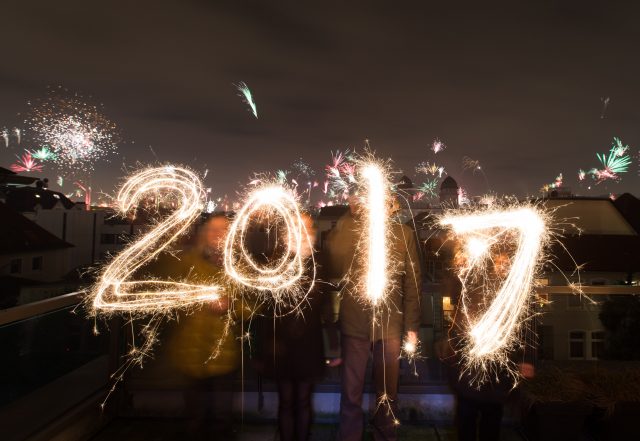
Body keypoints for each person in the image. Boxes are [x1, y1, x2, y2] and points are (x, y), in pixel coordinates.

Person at [326, 195, 422, 441]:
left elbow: (412, 284)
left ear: (390, 204)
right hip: (355, 325)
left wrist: (411, 325)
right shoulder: (352, 231)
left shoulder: (404, 234)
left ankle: (386, 436)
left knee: (388, 394)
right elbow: (334, 258)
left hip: (389, 327)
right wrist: (350, 215)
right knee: (351, 393)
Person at [435, 244, 535, 441]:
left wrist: (527, 359)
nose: (503, 266)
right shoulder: (474, 284)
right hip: (468, 364)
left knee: (492, 417)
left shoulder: (517, 291)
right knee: (467, 415)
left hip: (497, 369)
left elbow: (528, 327)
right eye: (499, 262)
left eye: (507, 262)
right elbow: (453, 304)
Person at [255, 213, 337, 441]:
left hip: (309, 342)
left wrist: (334, 346)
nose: (302, 231)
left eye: (306, 227)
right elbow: (267, 308)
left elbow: (327, 305)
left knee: (303, 399)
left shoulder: (319, 260)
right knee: (286, 400)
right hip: (281, 343)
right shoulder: (276, 260)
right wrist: (264, 347)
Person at [163, 214, 240, 440]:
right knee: (194, 417)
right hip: (192, 353)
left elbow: (252, 306)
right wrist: (197, 300)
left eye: (223, 231)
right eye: (213, 230)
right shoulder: (188, 263)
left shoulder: (238, 267)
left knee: (222, 418)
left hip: (223, 354)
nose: (217, 235)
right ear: (204, 235)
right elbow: (172, 299)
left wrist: (231, 304)